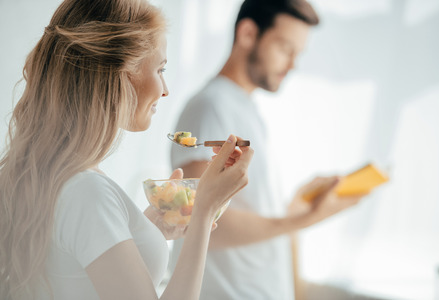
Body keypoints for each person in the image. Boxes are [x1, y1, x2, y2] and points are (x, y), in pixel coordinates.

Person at [0, 0, 253, 299]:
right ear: (120, 72)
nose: (165, 88)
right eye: (160, 69)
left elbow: (75, 272)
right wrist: (204, 211)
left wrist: (150, 229)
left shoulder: (52, 177)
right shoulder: (87, 191)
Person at [170, 0, 366, 299]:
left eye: (297, 54)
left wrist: (296, 207)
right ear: (248, 33)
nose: (293, 64)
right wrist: (306, 219)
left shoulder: (247, 110)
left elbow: (242, 212)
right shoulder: (211, 107)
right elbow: (198, 216)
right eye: (286, 49)